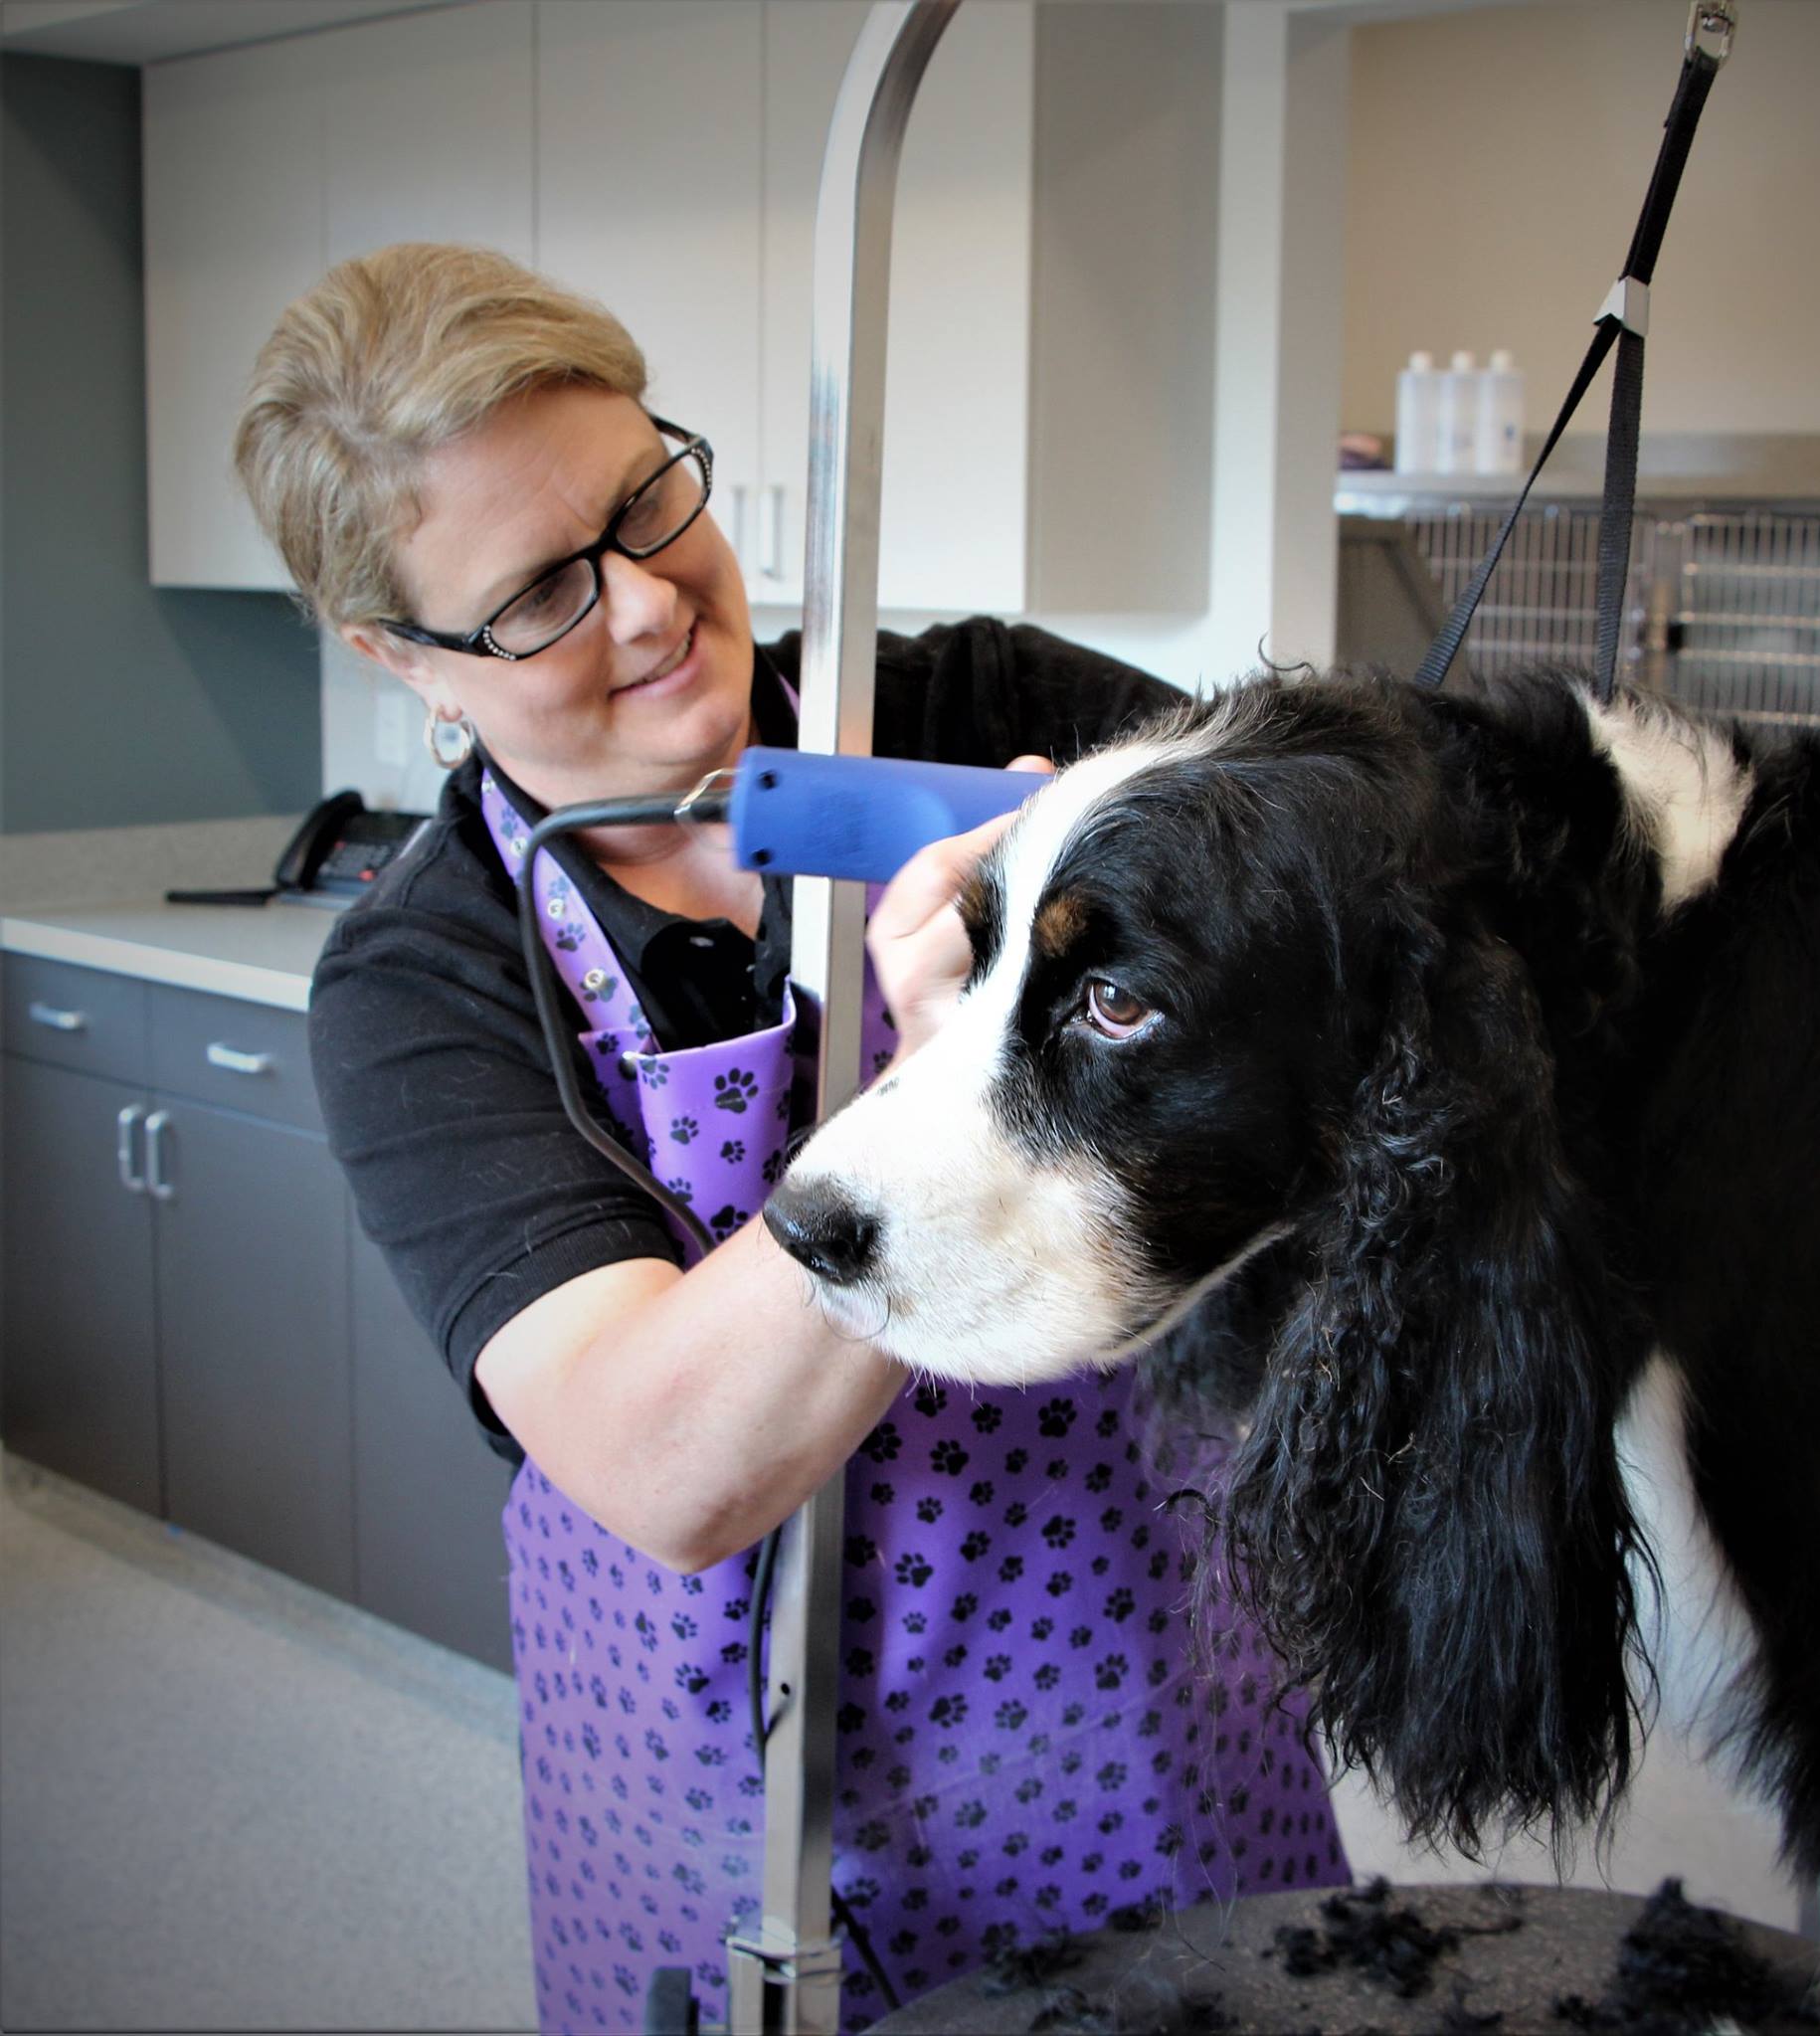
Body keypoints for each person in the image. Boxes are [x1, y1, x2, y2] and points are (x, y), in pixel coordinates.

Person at [236, 242, 1345, 2035]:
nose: (655, 606)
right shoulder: (422, 981)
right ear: (399, 657)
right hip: (696, 1785)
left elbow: (1353, 894)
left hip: (1133, 1694)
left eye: (650, 500)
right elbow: (670, 1462)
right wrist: (949, 1075)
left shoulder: (996, 722)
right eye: (538, 596)